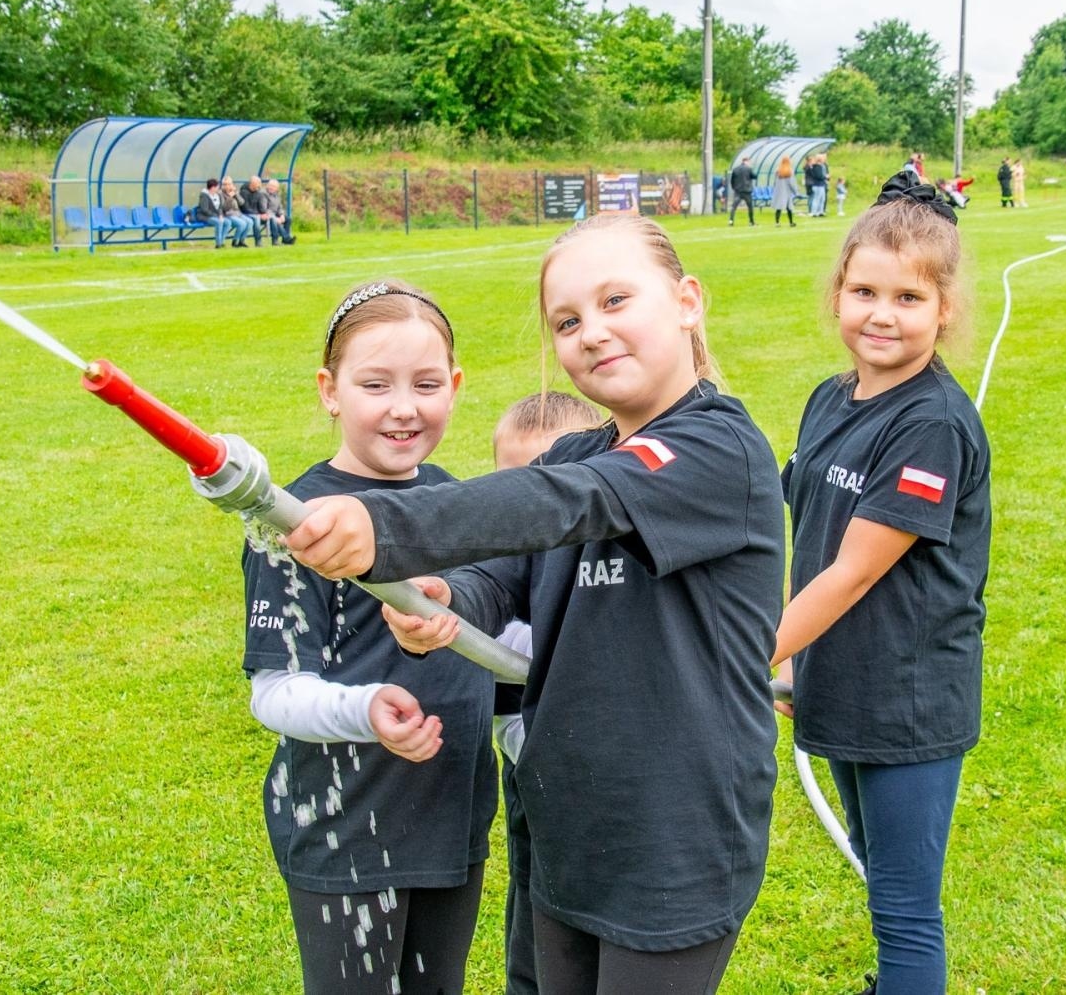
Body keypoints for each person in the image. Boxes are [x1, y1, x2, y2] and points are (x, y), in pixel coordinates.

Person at [282, 214, 785, 994]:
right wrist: (446, 597)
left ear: (687, 301)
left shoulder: (719, 450)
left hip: (674, 841)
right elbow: (503, 577)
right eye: (568, 320)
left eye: (617, 300)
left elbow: (562, 501)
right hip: (569, 825)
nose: (592, 332)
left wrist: (386, 526)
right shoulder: (578, 451)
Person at [242, 282, 497, 995]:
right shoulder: (295, 520)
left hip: (454, 814)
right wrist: (365, 709)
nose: (403, 407)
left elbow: (496, 637)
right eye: (375, 383)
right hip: (347, 831)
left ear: (455, 385)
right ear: (330, 389)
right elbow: (275, 691)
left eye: (425, 383)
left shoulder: (459, 501)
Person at [774, 170, 990, 995]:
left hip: (907, 696)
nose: (882, 314)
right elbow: (808, 539)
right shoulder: (830, 398)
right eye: (864, 290)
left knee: (904, 907)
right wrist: (795, 661)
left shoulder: (930, 422)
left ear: (944, 310)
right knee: (876, 869)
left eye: (908, 297)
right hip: (840, 681)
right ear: (838, 294)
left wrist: (749, 656)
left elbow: (856, 570)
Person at [488, 390, 602, 995]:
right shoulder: (501, 556)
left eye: (551, 482)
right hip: (531, 754)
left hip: (598, 777)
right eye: (516, 482)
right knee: (533, 895)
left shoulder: (600, 557)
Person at [193, 178, 246, 249]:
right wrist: (217, 216)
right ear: (212, 187)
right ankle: (218, 244)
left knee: (228, 222)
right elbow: (204, 210)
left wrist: (220, 215)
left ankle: (222, 241)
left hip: (215, 216)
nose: (218, 188)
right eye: (217, 187)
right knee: (219, 222)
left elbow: (220, 207)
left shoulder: (216, 195)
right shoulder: (204, 196)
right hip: (204, 216)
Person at [219, 176, 261, 247]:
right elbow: (224, 208)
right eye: (225, 184)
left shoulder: (234, 192)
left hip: (238, 214)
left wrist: (236, 194)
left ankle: (241, 241)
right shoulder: (220, 194)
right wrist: (229, 197)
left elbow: (242, 203)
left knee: (250, 222)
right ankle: (235, 241)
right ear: (222, 185)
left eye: (229, 184)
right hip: (228, 214)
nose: (227, 186)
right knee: (242, 224)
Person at [260, 178, 297, 246]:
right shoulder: (263, 194)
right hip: (266, 215)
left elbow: (280, 207)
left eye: (274, 187)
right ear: (267, 185)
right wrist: (275, 218)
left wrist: (282, 215)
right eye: (270, 185)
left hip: (275, 215)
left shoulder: (277, 195)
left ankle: (285, 239)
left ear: (277, 188)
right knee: (275, 221)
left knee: (288, 219)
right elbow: (264, 209)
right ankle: (283, 239)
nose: (272, 188)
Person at [772, 156, 800, 227]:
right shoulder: (790, 171)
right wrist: (796, 192)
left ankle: (777, 223)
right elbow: (792, 183)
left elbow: (774, 182)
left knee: (779, 207)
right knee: (789, 208)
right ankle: (791, 222)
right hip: (787, 192)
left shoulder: (777, 170)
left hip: (779, 191)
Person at [728, 156, 756, 226]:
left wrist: (734, 188)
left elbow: (732, 180)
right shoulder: (749, 169)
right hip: (747, 191)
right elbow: (755, 176)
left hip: (738, 191)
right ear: (747, 161)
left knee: (734, 207)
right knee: (750, 207)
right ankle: (751, 222)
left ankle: (731, 221)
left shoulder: (735, 169)